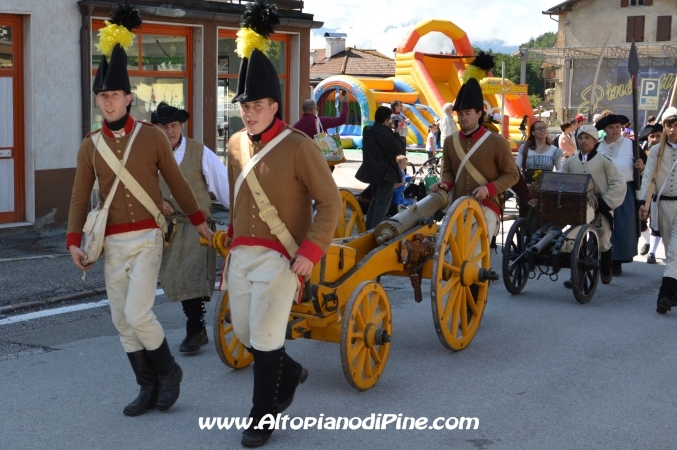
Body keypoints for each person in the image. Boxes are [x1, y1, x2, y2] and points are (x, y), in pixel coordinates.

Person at [66, 3, 214, 417]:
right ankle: (147, 386)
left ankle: (169, 374)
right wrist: (72, 240)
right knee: (120, 320)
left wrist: (201, 224)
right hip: (110, 242)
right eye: (102, 96)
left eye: (113, 95)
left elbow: (181, 186)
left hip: (148, 236)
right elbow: (80, 197)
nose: (107, 101)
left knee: (137, 312)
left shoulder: (152, 138)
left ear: (128, 98)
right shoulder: (90, 145)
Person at [222, 2, 342, 446]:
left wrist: (310, 253)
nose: (249, 112)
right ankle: (290, 373)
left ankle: (262, 416)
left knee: (268, 336)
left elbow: (330, 203)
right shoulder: (235, 144)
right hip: (241, 255)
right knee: (245, 332)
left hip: (283, 257)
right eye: (244, 105)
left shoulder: (299, 146)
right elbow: (238, 198)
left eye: (257, 105)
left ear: (275, 105)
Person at [151, 102, 230, 354]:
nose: (169, 131)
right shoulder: (149, 154)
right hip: (162, 227)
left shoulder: (199, 152)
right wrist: (158, 200)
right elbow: (136, 185)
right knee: (172, 277)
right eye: (163, 127)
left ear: (181, 126)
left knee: (191, 275)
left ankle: (195, 329)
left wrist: (241, 216)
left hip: (196, 227)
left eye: (173, 126)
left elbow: (224, 187)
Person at [429, 76, 519, 247]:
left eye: (467, 113)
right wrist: (445, 184)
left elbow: (512, 175)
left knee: (475, 259)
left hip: (487, 205)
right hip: (457, 205)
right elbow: (448, 170)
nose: (463, 118)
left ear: (479, 113)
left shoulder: (497, 142)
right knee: (450, 257)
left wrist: (488, 189)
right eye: (460, 114)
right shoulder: (450, 142)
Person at [561, 125, 626, 287]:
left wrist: (604, 202)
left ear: (595, 141)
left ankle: (605, 269)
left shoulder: (605, 162)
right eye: (581, 138)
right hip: (578, 207)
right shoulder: (570, 162)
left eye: (587, 138)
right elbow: (562, 180)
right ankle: (576, 275)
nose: (583, 141)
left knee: (603, 239)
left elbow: (618, 183)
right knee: (575, 240)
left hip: (599, 206)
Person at [596, 113, 645, 275]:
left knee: (622, 225)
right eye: (611, 127)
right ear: (605, 129)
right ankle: (598, 258)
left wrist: (641, 166)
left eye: (618, 127)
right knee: (601, 224)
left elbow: (646, 165)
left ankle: (616, 260)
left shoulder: (631, 145)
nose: (615, 130)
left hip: (625, 188)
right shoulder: (597, 146)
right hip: (602, 189)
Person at [639, 107, 677, 313]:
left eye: (676, 125)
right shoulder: (655, 151)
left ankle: (664, 293)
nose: (673, 129)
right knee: (672, 248)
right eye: (669, 125)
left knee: (674, 252)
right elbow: (648, 179)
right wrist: (643, 203)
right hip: (662, 204)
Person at [355, 106, 406, 229]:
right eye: (390, 119)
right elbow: (398, 149)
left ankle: (368, 230)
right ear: (386, 120)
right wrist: (398, 133)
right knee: (382, 205)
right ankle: (374, 232)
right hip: (386, 174)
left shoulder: (368, 130)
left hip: (372, 172)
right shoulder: (385, 132)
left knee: (375, 201)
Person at [515, 120, 563, 231]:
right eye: (539, 128)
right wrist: (524, 185)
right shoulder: (525, 148)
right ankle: (525, 243)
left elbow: (560, 170)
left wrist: (552, 184)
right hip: (527, 189)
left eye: (544, 127)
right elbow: (516, 169)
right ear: (532, 132)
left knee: (542, 220)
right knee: (526, 218)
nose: (542, 130)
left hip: (546, 189)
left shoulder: (555, 151)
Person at [638, 123, 663, 263]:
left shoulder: (666, 150)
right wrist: (641, 169)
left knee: (657, 224)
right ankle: (648, 242)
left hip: (662, 193)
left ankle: (652, 252)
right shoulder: (640, 151)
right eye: (651, 136)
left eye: (658, 136)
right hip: (644, 191)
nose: (654, 139)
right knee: (641, 223)